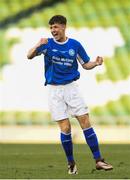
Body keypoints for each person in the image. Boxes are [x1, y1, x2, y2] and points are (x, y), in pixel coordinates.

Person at [27, 15, 113, 174]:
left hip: (72, 88)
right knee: (65, 128)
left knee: (85, 121)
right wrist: (37, 44)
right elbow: (29, 55)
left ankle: (99, 160)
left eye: (56, 27)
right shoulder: (47, 44)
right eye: (51, 27)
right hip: (54, 90)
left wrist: (96, 63)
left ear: (64, 27)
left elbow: (85, 64)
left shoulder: (75, 45)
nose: (53, 30)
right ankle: (71, 163)